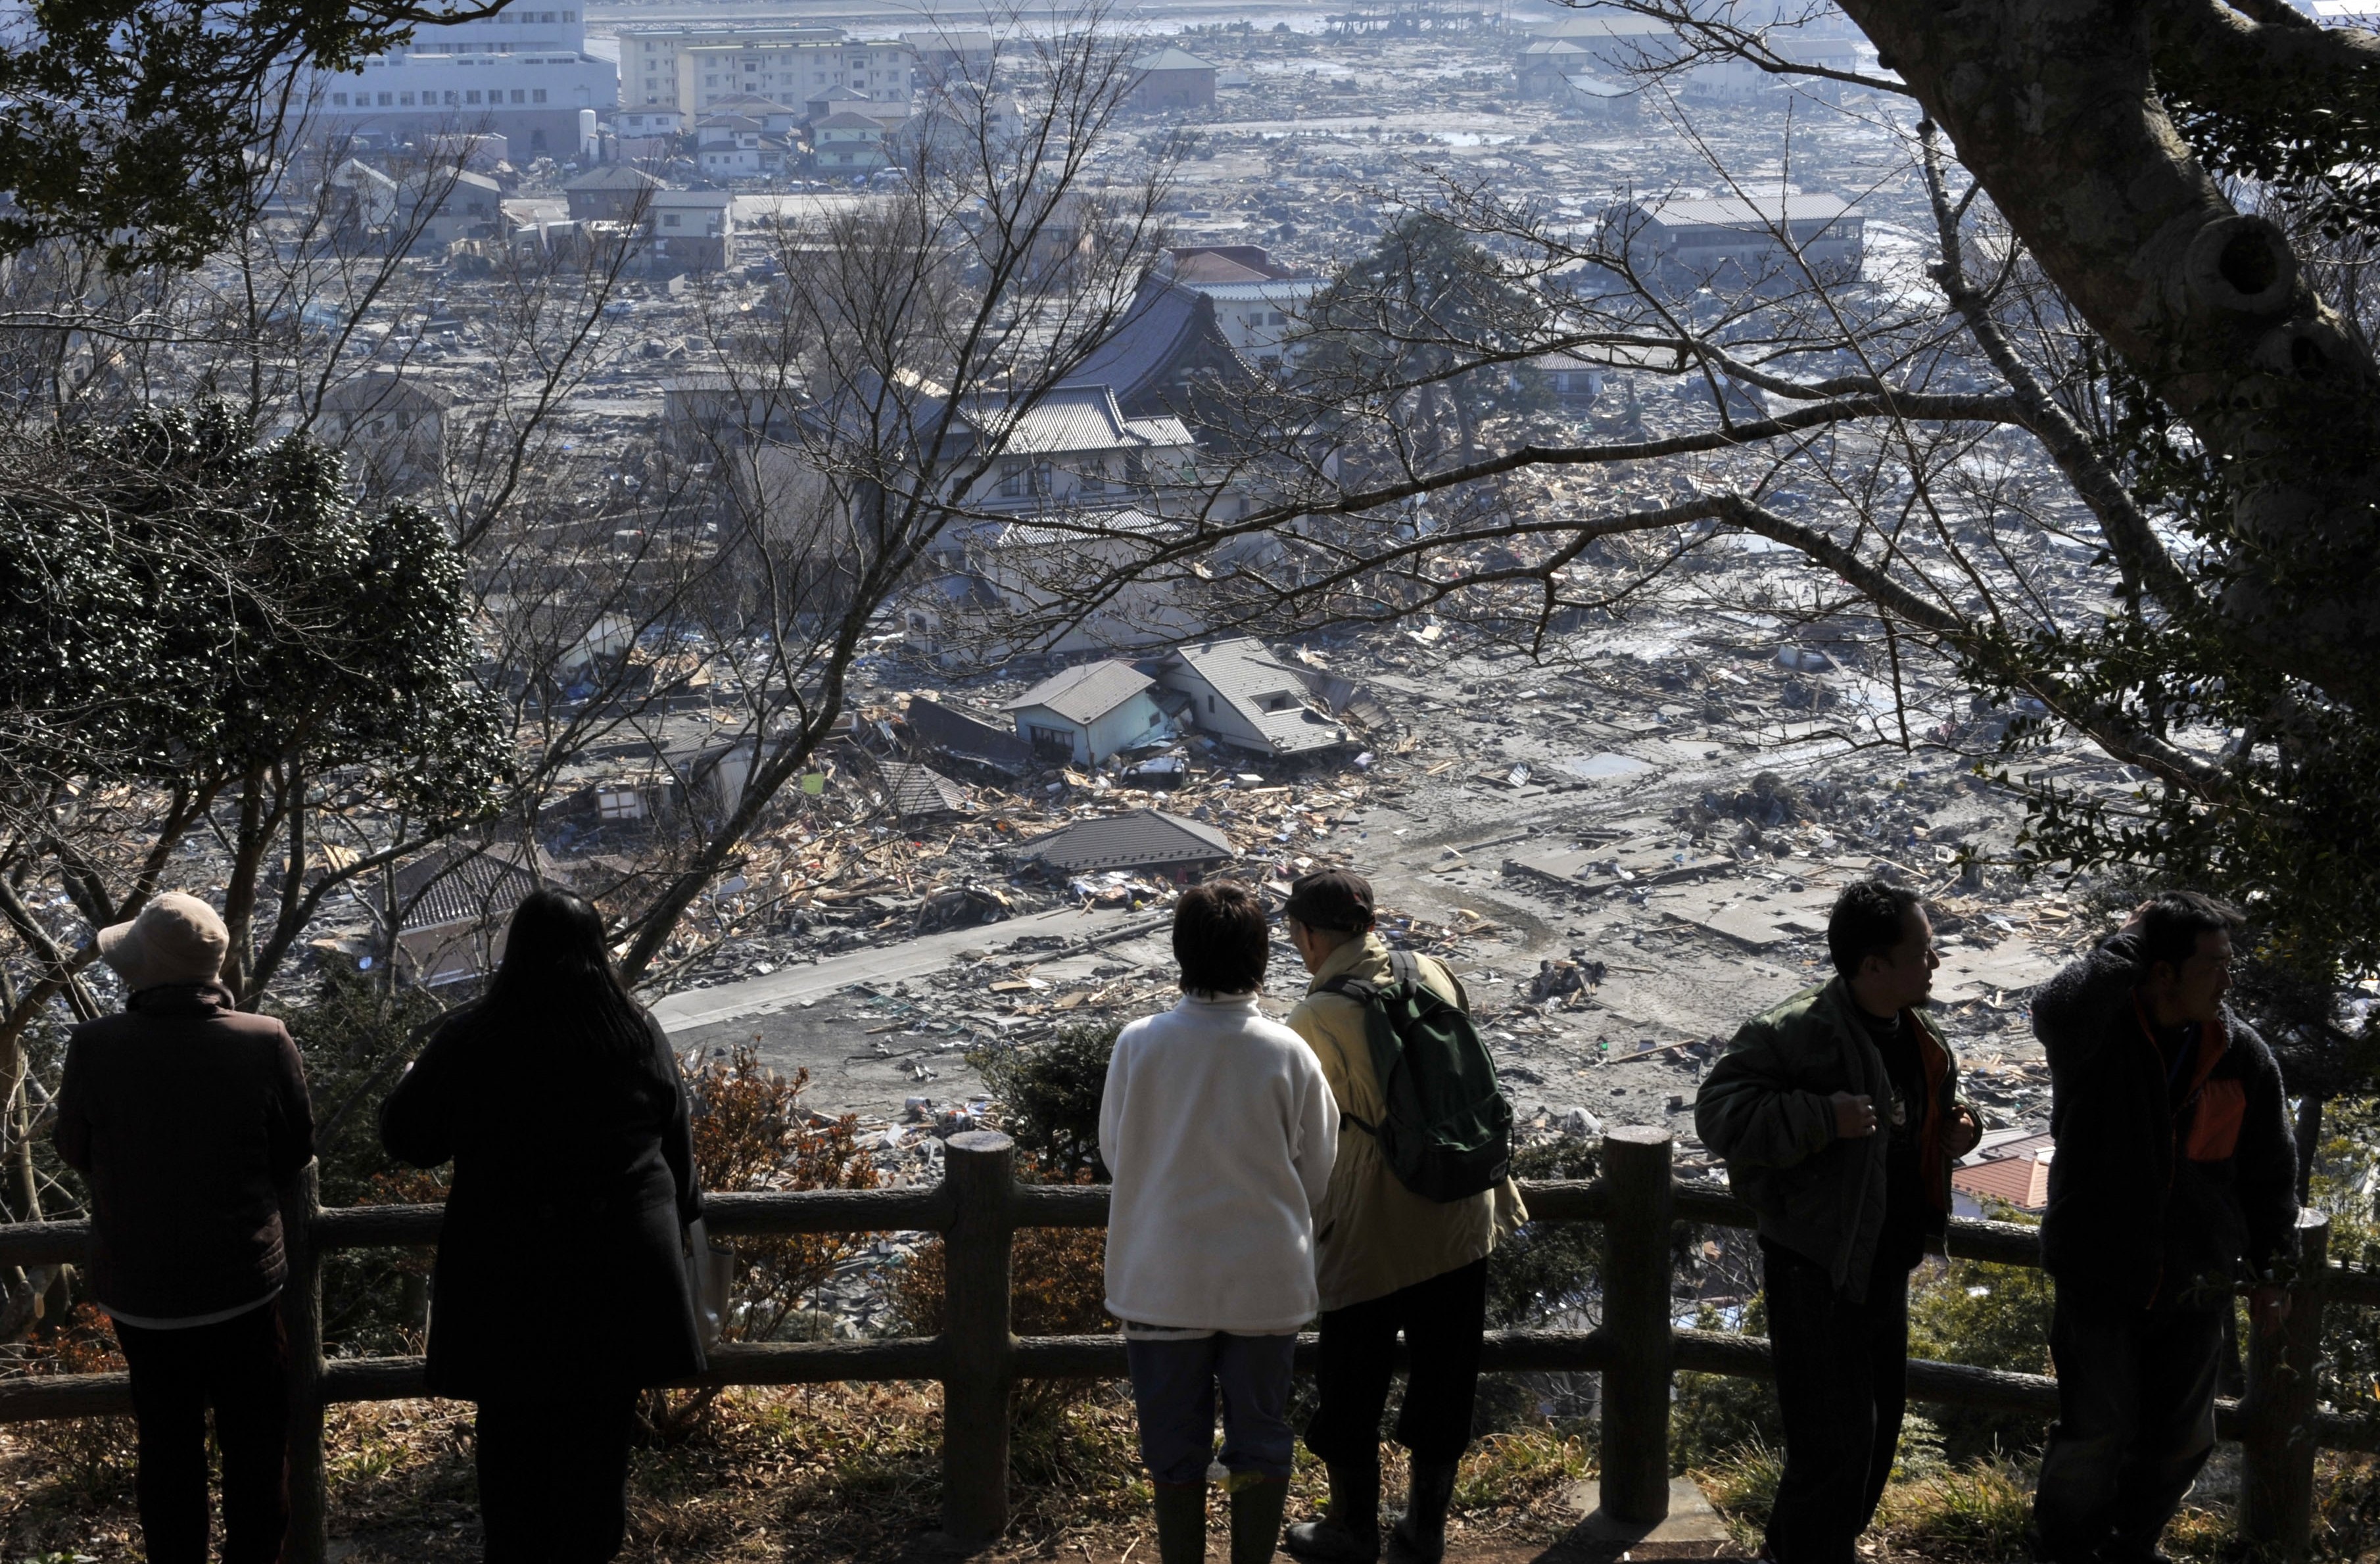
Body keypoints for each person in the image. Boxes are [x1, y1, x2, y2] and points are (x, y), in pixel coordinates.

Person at [381, 888, 707, 1564]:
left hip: (508, 1261)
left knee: (512, 1433)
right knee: (599, 1436)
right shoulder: (634, 1030)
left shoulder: (474, 1036)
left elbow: (411, 1137)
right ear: (597, 951)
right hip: (619, 1260)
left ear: (514, 954)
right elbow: (673, 1145)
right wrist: (677, 1225)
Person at [1695, 878, 1981, 1564]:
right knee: (1833, 1439)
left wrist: (1961, 1126)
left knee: (1873, 1435)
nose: (1935, 963)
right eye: (1923, 950)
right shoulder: (1794, 1033)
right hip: (1814, 1266)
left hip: (1884, 1259)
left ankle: (1806, 1550)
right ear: (1872, 964)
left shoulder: (1915, 1033)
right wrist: (1825, 1119)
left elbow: (1937, 1101)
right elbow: (1717, 1116)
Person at [2028, 891, 2297, 1564]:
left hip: (2193, 1282)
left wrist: (2272, 1271)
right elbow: (2053, 1006)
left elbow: (2269, 1172)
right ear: (2160, 973)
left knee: (2182, 1437)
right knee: (2094, 1432)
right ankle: (2061, 1551)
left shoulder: (2241, 1056)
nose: (2227, 980)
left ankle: (2128, 1548)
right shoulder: (2098, 1039)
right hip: (2100, 1272)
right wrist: (2131, 936)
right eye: (2212, 964)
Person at [53, 891, 315, 1564]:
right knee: (258, 1449)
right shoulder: (264, 1041)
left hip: (142, 1291)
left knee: (167, 1450)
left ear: (145, 969)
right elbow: (294, 1154)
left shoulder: (95, 1047)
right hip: (246, 1285)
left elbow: (75, 1150)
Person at [1279, 869, 1523, 1564]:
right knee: (1447, 1374)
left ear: (1311, 935)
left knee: (1350, 1382)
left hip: (1373, 1227)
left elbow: (1305, 1128)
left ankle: (1351, 1528)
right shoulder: (1434, 973)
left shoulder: (1314, 1018)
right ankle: (1425, 1531)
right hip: (1460, 1210)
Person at [1101, 880, 1339, 1564]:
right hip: (1264, 1281)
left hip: (1160, 1279)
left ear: (1181, 952)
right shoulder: (1287, 1051)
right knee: (1256, 1437)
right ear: (1260, 957)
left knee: (1174, 1443)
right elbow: (1318, 1170)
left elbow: (1117, 1155)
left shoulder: (1137, 1045)